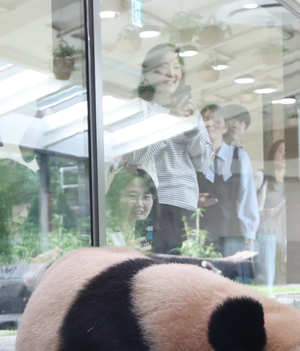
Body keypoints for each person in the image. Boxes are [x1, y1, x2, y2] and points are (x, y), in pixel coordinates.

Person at [118, 44, 212, 254]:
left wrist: (190, 129)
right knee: (151, 266)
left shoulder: (191, 112)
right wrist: (170, 122)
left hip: (186, 206)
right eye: (164, 67)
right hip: (152, 206)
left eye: (176, 66)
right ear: (148, 73)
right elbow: (134, 158)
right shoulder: (140, 109)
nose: (172, 73)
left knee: (180, 271)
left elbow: (203, 162)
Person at [197, 103, 258, 274]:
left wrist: (250, 231)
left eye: (216, 120)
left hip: (232, 230)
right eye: (205, 120)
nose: (210, 124)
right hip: (202, 229)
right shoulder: (192, 157)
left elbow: (248, 196)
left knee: (232, 280)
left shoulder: (239, 156)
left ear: (225, 127)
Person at [254, 140, 288, 291]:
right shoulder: (261, 177)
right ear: (272, 155)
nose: (284, 155)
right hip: (263, 233)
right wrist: (263, 212)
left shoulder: (291, 181)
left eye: (287, 152)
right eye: (280, 151)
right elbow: (245, 205)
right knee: (265, 277)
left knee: (280, 280)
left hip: (281, 238)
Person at [105, 167, 155, 251]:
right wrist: (128, 252)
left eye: (146, 197)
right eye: (132, 196)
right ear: (116, 198)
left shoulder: (154, 233)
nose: (139, 204)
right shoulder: (103, 232)